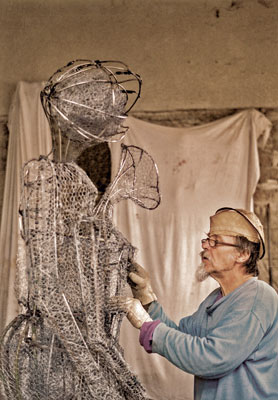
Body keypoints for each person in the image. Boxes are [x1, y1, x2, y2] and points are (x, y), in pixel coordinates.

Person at [117, 207, 278, 400]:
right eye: (207, 239)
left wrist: (147, 325)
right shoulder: (216, 299)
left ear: (242, 255)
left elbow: (212, 358)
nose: (205, 247)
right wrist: (146, 298)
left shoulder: (257, 298)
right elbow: (182, 337)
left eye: (215, 242)